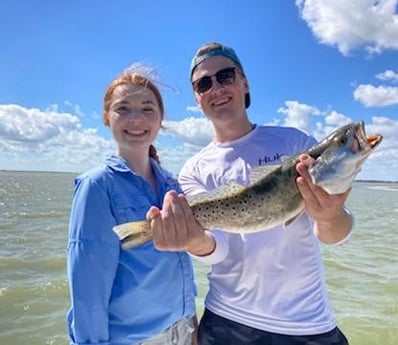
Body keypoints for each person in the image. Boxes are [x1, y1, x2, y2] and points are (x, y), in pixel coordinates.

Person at [147, 43, 353, 344]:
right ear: (197, 98)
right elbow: (219, 248)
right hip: (225, 322)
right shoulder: (193, 169)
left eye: (225, 76)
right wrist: (193, 241)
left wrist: (332, 215)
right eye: (204, 84)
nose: (216, 88)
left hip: (307, 323)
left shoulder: (296, 143)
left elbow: (336, 235)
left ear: (245, 82)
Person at [66, 63, 197, 345]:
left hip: (182, 330)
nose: (136, 118)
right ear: (106, 117)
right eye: (123, 109)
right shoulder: (97, 186)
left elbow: (181, 263)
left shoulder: (172, 184)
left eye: (148, 108)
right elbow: (88, 289)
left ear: (160, 119)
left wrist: (191, 323)